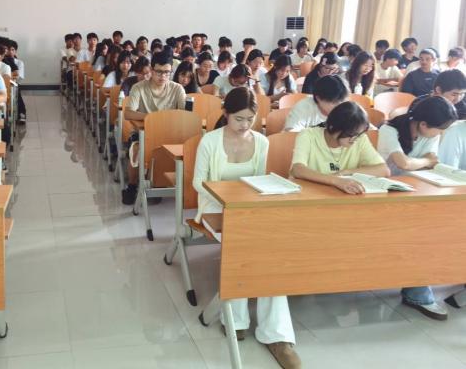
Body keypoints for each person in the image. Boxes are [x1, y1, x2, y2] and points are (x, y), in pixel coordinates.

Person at [192, 88, 301, 368]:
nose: (244, 125)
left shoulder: (261, 141)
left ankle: (277, 335)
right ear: (226, 114)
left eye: (250, 119)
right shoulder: (210, 141)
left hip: (249, 209)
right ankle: (236, 318)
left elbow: (259, 180)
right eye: (239, 119)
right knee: (245, 245)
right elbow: (198, 182)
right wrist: (229, 198)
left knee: (272, 250)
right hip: (215, 207)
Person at [377, 96, 457, 321]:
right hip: (383, 194)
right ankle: (418, 292)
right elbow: (403, 163)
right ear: (423, 124)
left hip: (416, 193)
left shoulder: (430, 134)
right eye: (439, 129)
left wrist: (422, 162)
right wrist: (424, 161)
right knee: (419, 234)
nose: (440, 133)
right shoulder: (389, 130)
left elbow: (429, 162)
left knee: (433, 231)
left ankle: (417, 290)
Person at [122, 51, 186, 205]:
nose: (163, 76)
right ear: (151, 70)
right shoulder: (139, 88)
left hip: (170, 133)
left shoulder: (177, 89)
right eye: (159, 72)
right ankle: (132, 185)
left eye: (167, 72)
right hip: (144, 132)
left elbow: (185, 115)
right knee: (136, 148)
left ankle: (164, 183)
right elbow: (128, 113)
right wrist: (151, 118)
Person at [290, 101, 389, 193]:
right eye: (350, 134)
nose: (354, 139)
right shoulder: (308, 135)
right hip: (309, 193)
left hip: (342, 196)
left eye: (358, 134)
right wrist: (336, 180)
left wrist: (345, 173)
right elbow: (297, 170)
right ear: (332, 127)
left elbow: (383, 170)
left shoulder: (360, 139)